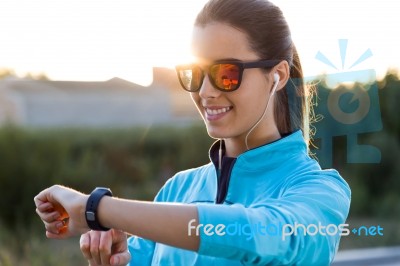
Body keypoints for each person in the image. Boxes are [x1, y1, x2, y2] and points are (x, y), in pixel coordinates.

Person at [34, 0, 351, 265]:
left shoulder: (320, 191)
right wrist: (114, 255)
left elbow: (264, 233)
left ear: (278, 75)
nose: (205, 91)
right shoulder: (178, 189)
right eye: (194, 73)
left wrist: (98, 209)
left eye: (227, 73)